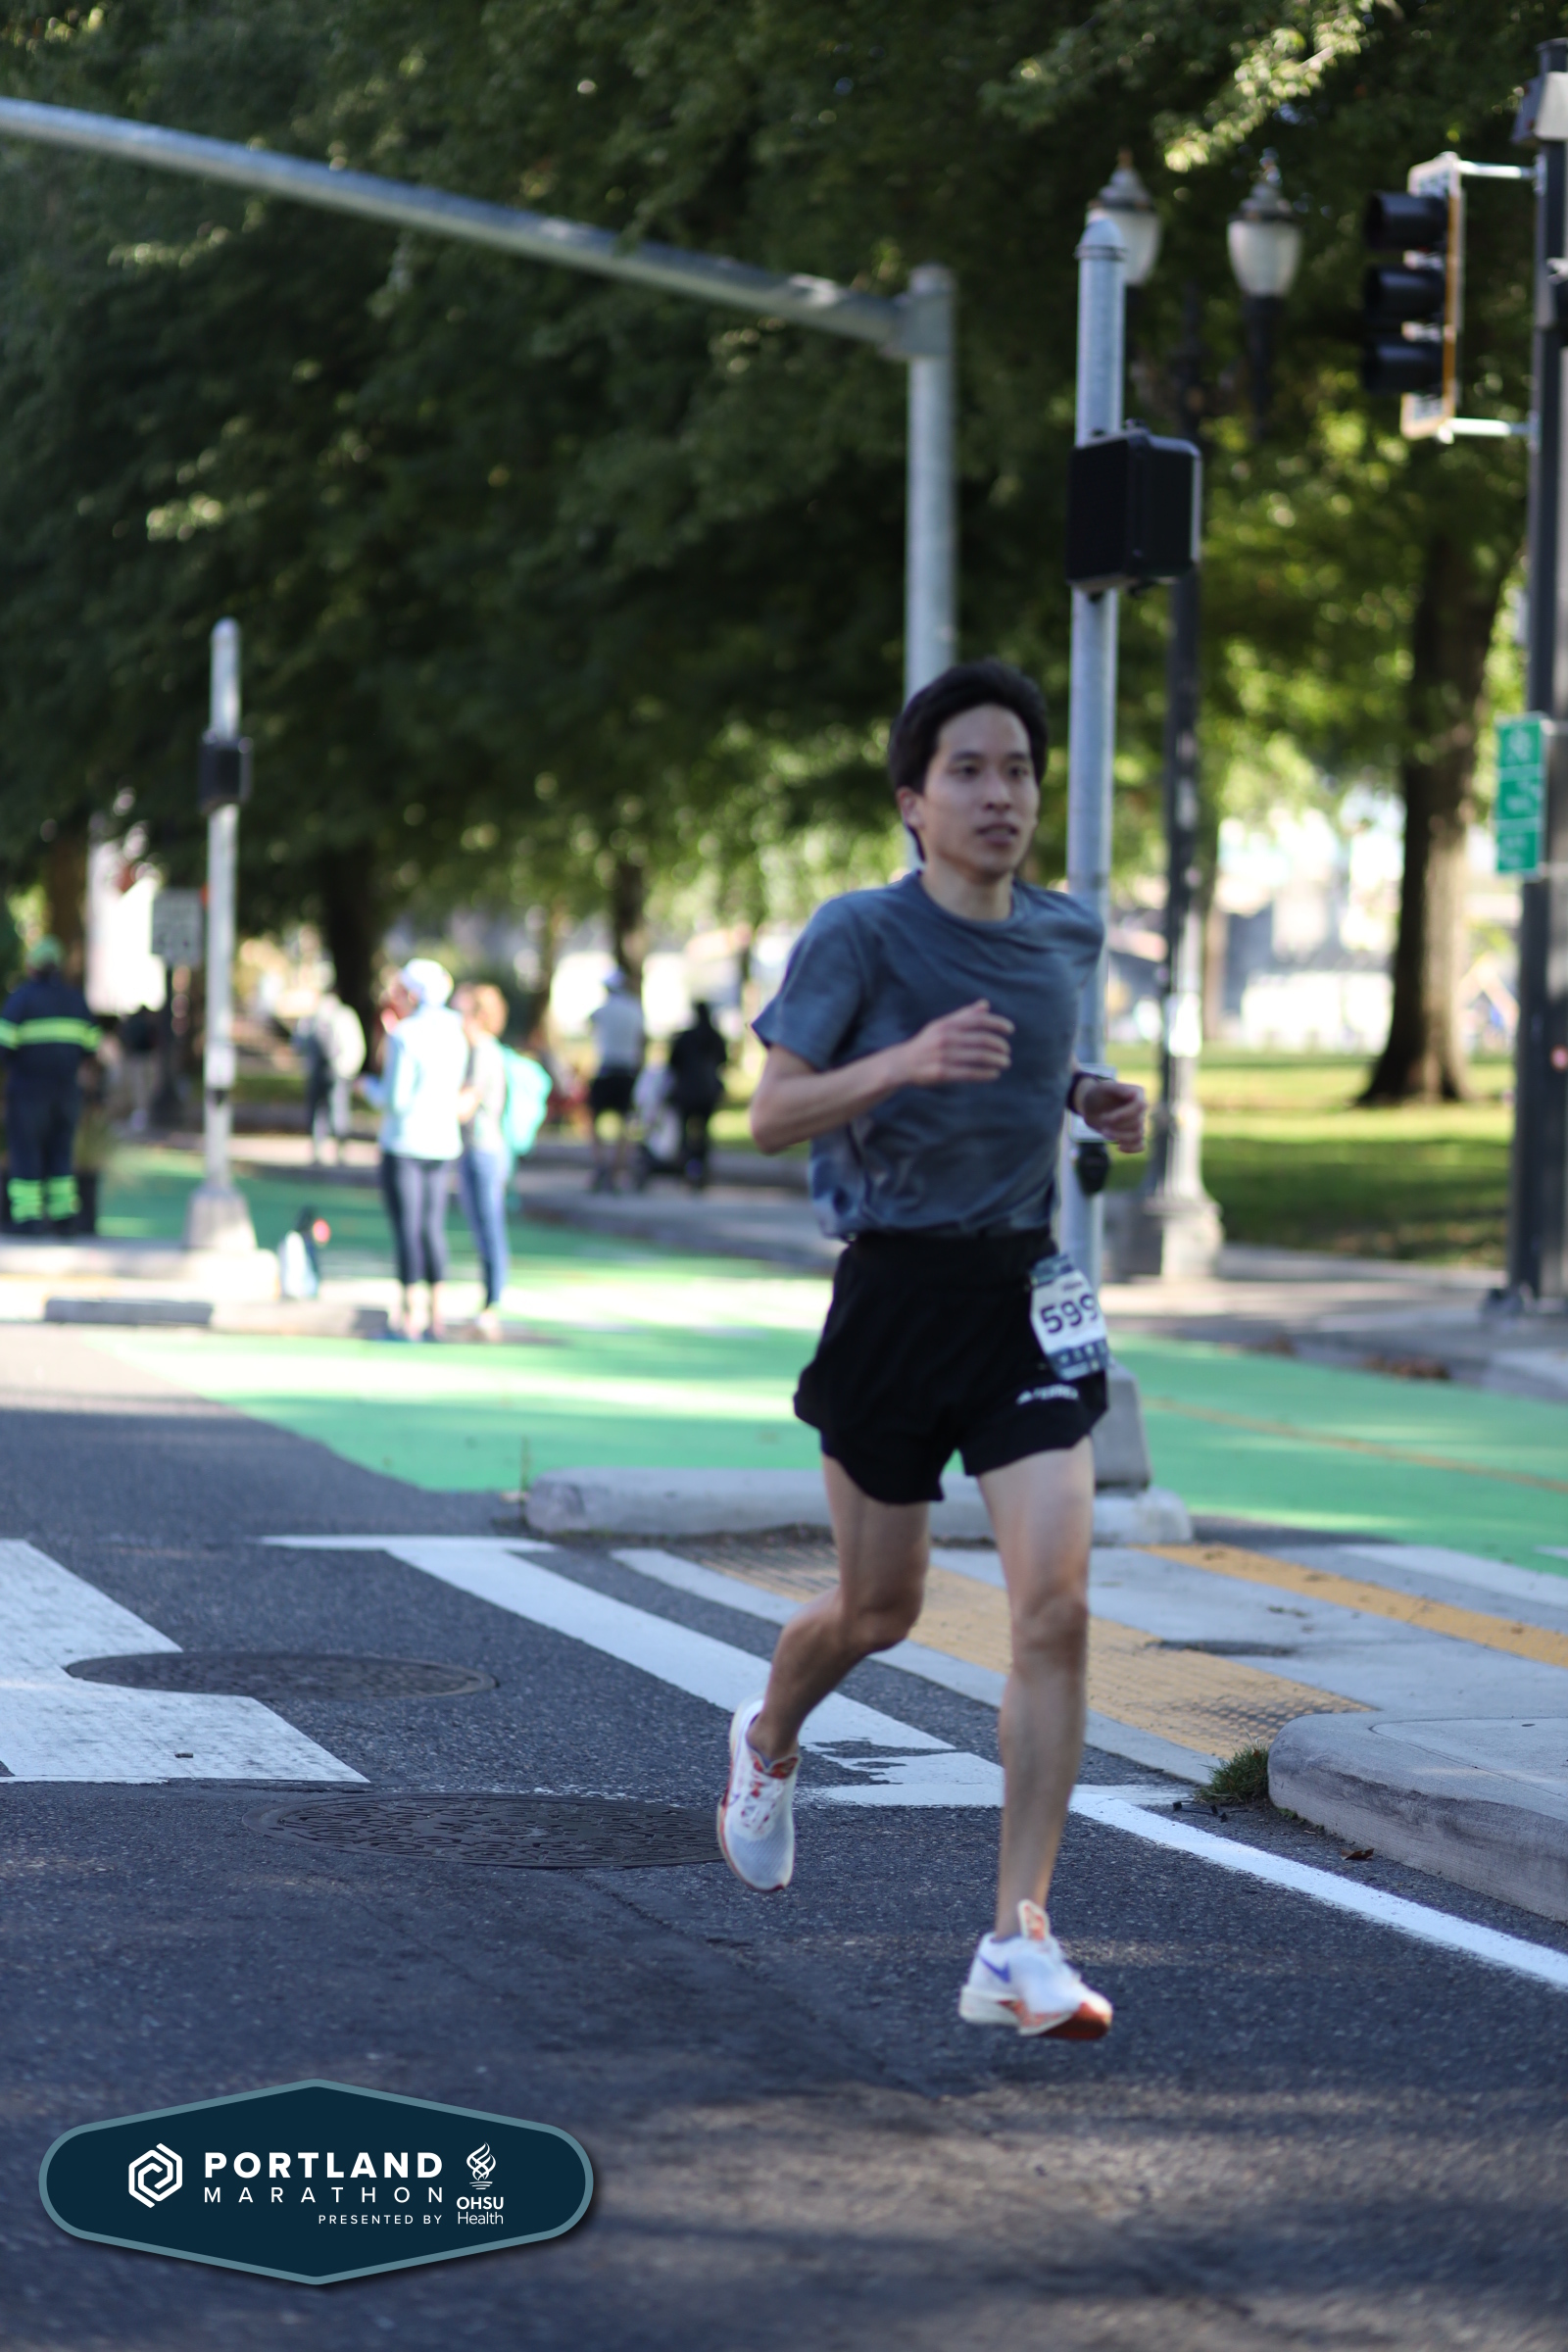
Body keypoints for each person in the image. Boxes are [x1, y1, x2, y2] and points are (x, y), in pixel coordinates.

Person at [716, 659, 1147, 2042]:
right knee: (879, 1610)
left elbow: (1027, 1063)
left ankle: (1018, 1937)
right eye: (967, 770)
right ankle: (768, 1739)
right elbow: (772, 1115)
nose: (998, 794)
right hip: (892, 1295)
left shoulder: (1065, 935)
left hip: (1021, 1293)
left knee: (1054, 1609)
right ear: (913, 801)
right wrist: (901, 1062)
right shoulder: (859, 934)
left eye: (1017, 770)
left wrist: (1084, 1096)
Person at [359, 959, 466, 1341]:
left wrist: (367, 1087)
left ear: (414, 995)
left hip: (405, 1142)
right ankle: (437, 1316)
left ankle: (409, 1317)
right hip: (444, 1142)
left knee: (408, 1228)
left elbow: (395, 1099)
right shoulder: (456, 1032)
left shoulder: (405, 1036)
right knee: (433, 1228)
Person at [0, 936, 101, 1234]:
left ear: (32, 967)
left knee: (26, 1151)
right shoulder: (75, 1000)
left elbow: (3, 1046)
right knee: (61, 1153)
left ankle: (28, 1218)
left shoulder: (21, 1000)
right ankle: (63, 1217)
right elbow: (92, 1047)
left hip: (28, 1092)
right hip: (66, 1092)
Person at [455, 981, 512, 1343]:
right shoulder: (480, 1050)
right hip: (478, 1148)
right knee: (482, 1226)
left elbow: (465, 1105)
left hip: (484, 1150)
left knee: (489, 1227)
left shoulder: (483, 1051)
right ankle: (489, 1299)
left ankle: (493, 1301)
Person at [586, 968, 645, 1193]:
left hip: (607, 1069)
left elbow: (589, 1025)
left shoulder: (603, 1011)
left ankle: (601, 1161)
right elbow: (642, 1040)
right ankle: (617, 1167)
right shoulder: (635, 1010)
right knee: (626, 1123)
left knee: (594, 1118)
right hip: (628, 1071)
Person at [298, 989, 366, 1164]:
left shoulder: (315, 1016)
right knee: (337, 1109)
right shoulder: (343, 1015)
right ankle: (337, 1150)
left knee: (321, 1110)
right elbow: (356, 1045)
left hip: (324, 1070)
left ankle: (320, 1149)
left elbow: (299, 1043)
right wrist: (348, 1068)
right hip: (337, 1071)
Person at [664, 1001, 728, 1187]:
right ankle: (701, 1167)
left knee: (685, 1132)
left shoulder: (685, 1037)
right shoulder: (715, 1037)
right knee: (704, 1132)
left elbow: (673, 1063)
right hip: (708, 1092)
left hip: (686, 1092)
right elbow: (723, 1061)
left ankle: (685, 1166)